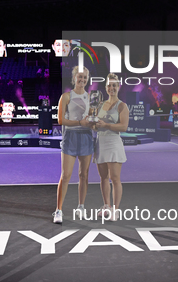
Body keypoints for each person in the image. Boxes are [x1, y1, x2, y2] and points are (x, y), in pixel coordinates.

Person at [53, 66, 93, 224]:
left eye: (85, 78)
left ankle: (81, 207)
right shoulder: (66, 96)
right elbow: (61, 120)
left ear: (87, 80)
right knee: (66, 175)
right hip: (70, 137)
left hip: (86, 137)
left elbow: (91, 118)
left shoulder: (90, 98)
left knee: (84, 175)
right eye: (80, 77)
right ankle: (58, 210)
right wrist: (79, 122)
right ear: (74, 78)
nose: (82, 80)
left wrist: (93, 123)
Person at [93, 73, 129, 221]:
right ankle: (106, 206)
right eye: (109, 85)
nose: (111, 88)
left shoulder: (122, 106)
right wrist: (94, 125)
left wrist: (106, 125)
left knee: (115, 178)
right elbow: (95, 125)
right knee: (103, 178)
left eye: (114, 85)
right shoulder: (100, 104)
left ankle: (116, 209)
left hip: (114, 144)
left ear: (118, 86)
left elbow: (124, 127)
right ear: (106, 87)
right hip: (100, 143)